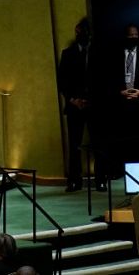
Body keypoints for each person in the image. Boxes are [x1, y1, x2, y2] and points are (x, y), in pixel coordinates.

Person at [57, 17, 97, 191]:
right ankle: (74, 179)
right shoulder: (68, 53)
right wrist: (73, 100)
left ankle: (101, 178)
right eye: (80, 31)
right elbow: (62, 81)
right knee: (74, 145)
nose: (82, 35)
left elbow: (103, 80)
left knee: (98, 142)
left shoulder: (97, 53)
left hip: (94, 105)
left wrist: (92, 100)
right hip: (74, 106)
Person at [110, 23, 139, 172]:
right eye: (130, 36)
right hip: (120, 104)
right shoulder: (115, 53)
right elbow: (107, 77)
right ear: (125, 37)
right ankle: (121, 169)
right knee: (122, 139)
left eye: (135, 35)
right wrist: (119, 91)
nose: (133, 38)